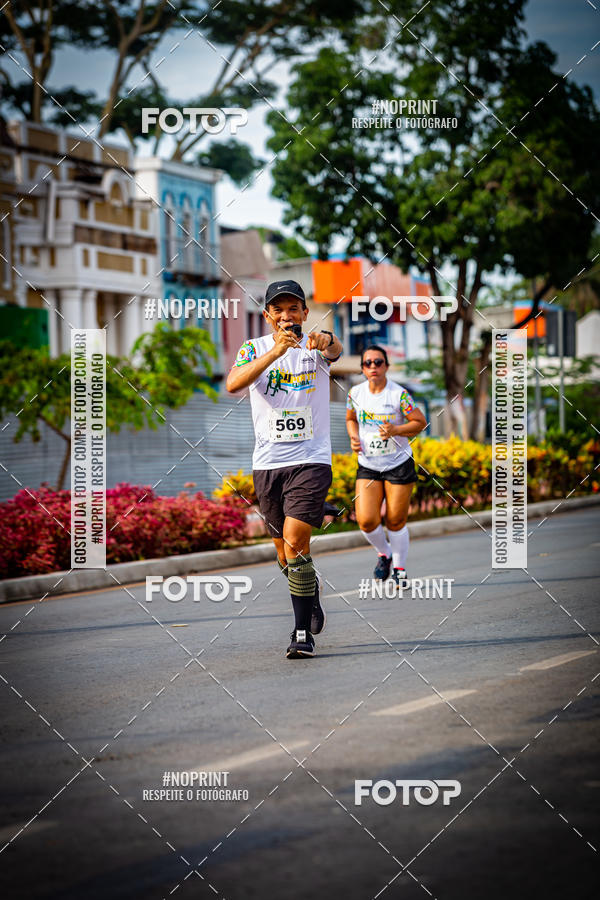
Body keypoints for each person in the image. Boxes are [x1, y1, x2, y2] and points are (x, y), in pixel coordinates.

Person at [226, 280, 342, 659]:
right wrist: (276, 351)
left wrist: (328, 340)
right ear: (267, 315)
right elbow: (233, 384)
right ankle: (311, 595)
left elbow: (336, 349)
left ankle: (301, 633)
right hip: (268, 464)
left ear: (305, 313)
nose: (286, 315)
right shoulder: (254, 348)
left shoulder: (317, 345)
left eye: (294, 308)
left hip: (311, 459)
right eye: (278, 309)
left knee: (295, 543)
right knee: (283, 552)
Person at [346, 345, 427, 586]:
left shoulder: (398, 395)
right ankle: (385, 553)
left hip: (398, 463)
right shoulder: (355, 393)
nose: (373, 367)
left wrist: (396, 430)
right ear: (362, 368)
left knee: (394, 519)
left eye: (378, 362)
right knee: (367, 520)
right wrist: (353, 436)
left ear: (386, 366)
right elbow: (351, 418)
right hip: (369, 464)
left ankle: (400, 568)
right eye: (368, 363)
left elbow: (420, 422)